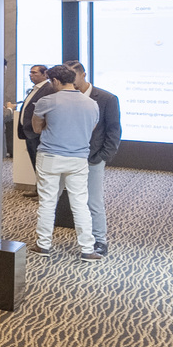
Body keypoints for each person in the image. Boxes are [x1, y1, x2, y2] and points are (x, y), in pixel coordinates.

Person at [31, 65, 102, 261]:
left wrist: (51, 125)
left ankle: (43, 245)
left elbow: (36, 128)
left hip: (50, 157)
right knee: (80, 203)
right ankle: (87, 249)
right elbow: (91, 128)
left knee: (47, 202)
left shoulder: (47, 101)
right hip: (78, 159)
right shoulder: (91, 104)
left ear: (55, 81)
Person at [66, 60, 122, 256]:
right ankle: (84, 235)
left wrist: (103, 156)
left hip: (93, 157)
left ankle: (100, 240)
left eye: (72, 76)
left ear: (83, 75)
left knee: (93, 200)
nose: (69, 81)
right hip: (69, 155)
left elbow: (114, 130)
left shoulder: (106, 98)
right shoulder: (66, 97)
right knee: (74, 200)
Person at [17, 63, 52, 195]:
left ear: (44, 74)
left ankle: (43, 192)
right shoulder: (35, 89)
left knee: (41, 164)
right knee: (35, 162)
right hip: (28, 131)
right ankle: (39, 189)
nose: (31, 75)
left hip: (37, 133)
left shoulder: (48, 89)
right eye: (30, 72)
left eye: (34, 73)